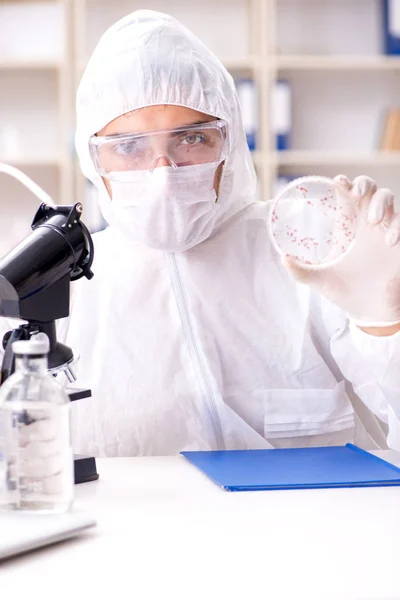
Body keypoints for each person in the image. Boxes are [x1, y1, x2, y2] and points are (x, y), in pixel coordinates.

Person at [63, 9, 400, 457]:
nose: (163, 174)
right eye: (128, 147)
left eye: (192, 139)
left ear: (231, 141)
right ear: (93, 160)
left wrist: (385, 323)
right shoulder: (60, 290)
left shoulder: (307, 254)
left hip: (315, 527)